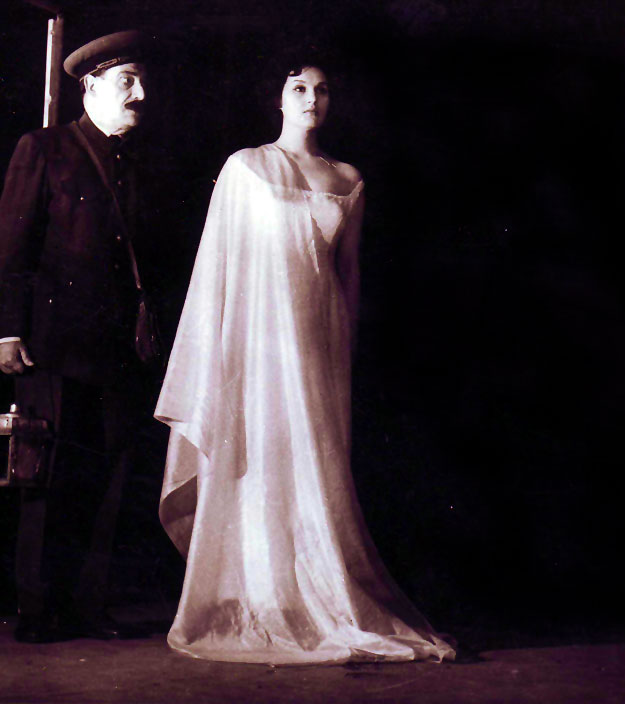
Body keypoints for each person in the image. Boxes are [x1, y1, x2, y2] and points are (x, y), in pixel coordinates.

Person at [154, 57, 455, 664]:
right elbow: (217, 268)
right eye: (299, 88)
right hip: (258, 344)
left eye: (322, 90)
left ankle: (320, 594)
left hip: (320, 341)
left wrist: (344, 349)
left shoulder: (347, 177)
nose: (311, 99)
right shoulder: (246, 167)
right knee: (259, 456)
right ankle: (263, 597)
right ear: (278, 98)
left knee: (314, 464)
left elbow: (349, 272)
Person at [0, 30, 158, 643]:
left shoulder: (139, 164)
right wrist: (7, 332)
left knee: (107, 482)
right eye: (126, 81)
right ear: (90, 86)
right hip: (53, 347)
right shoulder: (44, 148)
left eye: (142, 82)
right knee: (46, 475)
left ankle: (89, 605)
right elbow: (9, 246)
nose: (140, 94)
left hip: (119, 351)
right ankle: (37, 610)